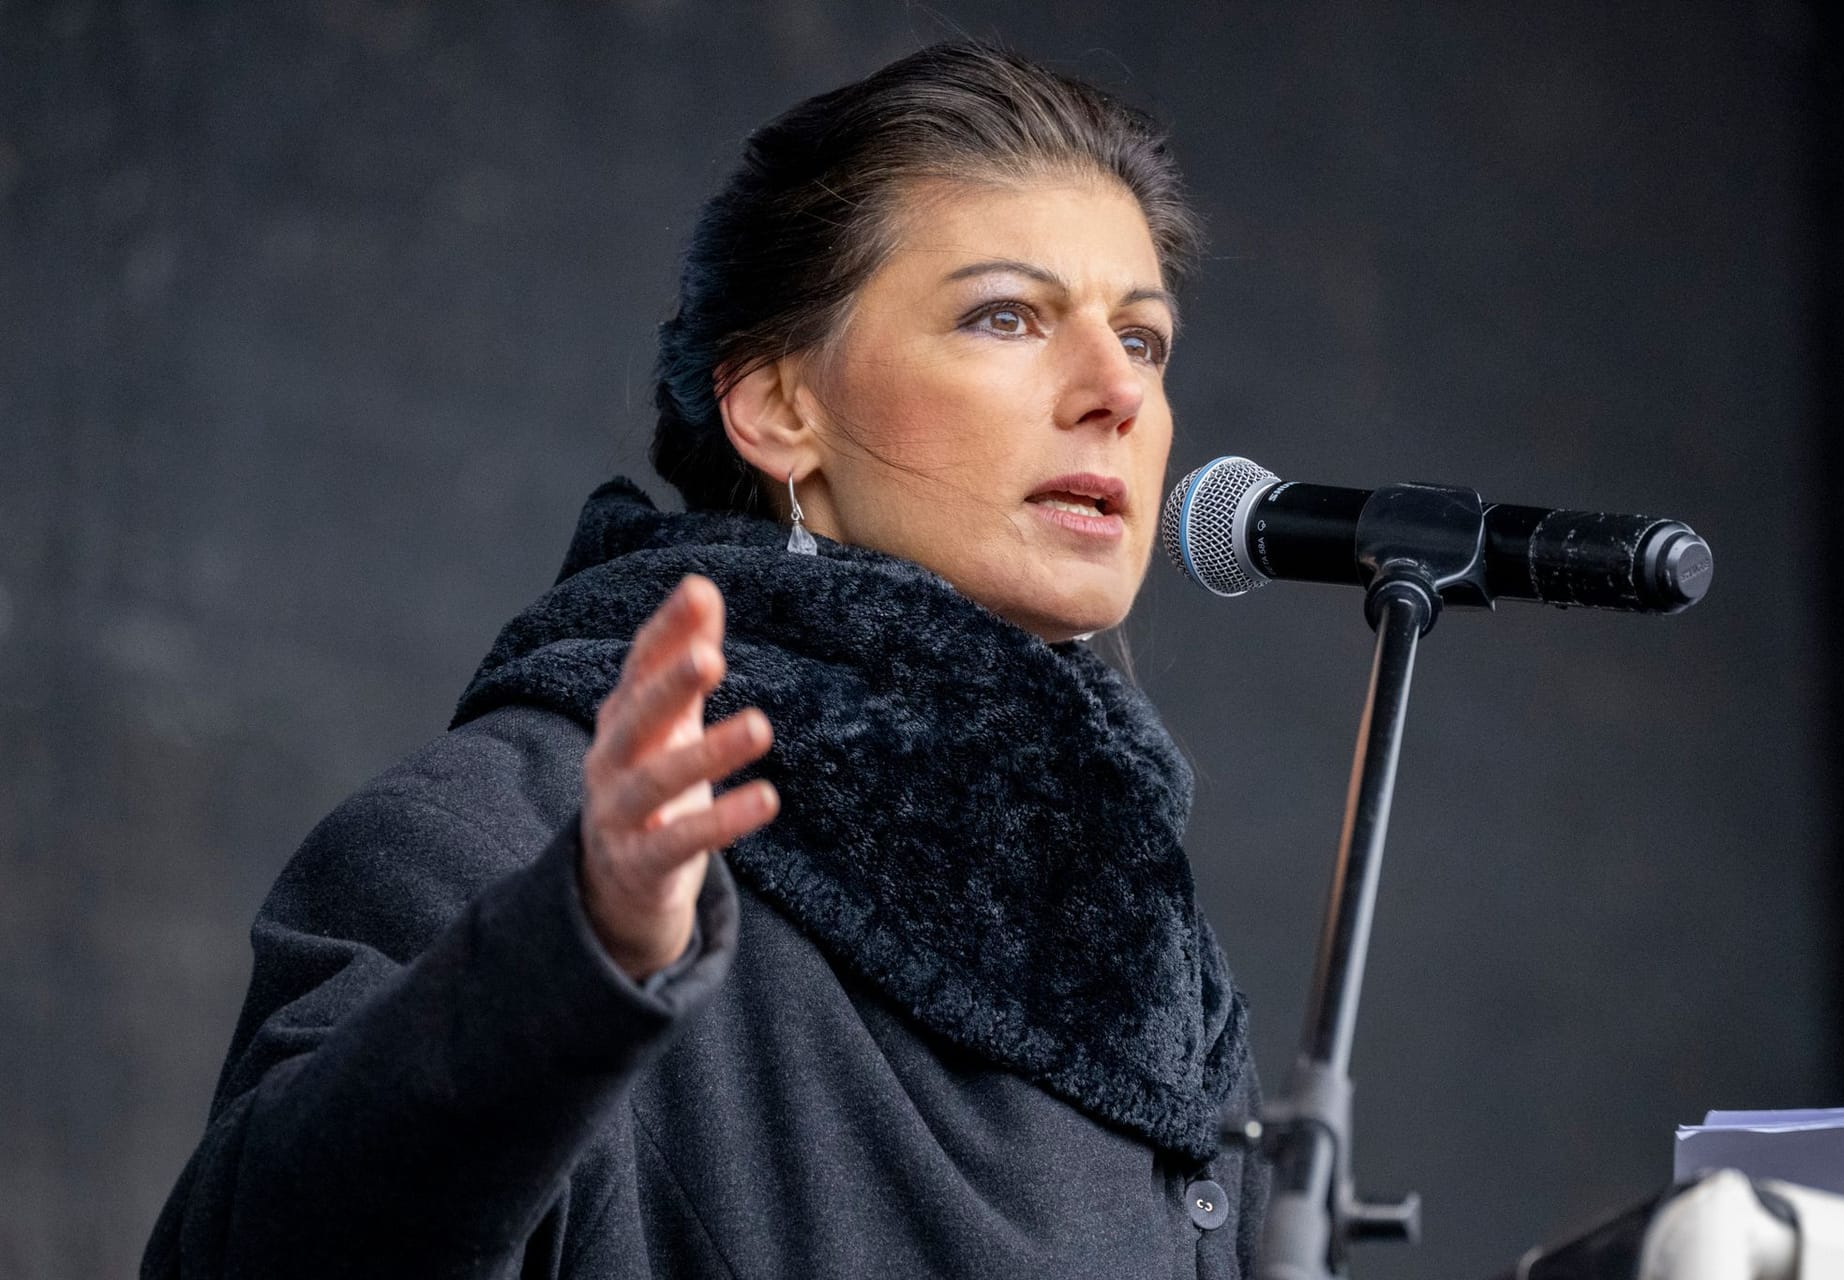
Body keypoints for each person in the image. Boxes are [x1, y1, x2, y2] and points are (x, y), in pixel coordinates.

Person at [143, 39, 1265, 1279]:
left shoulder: (1141, 938)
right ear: (780, 406)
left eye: (1146, 340)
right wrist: (578, 949)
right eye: (1005, 315)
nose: (1116, 389)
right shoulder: (514, 830)